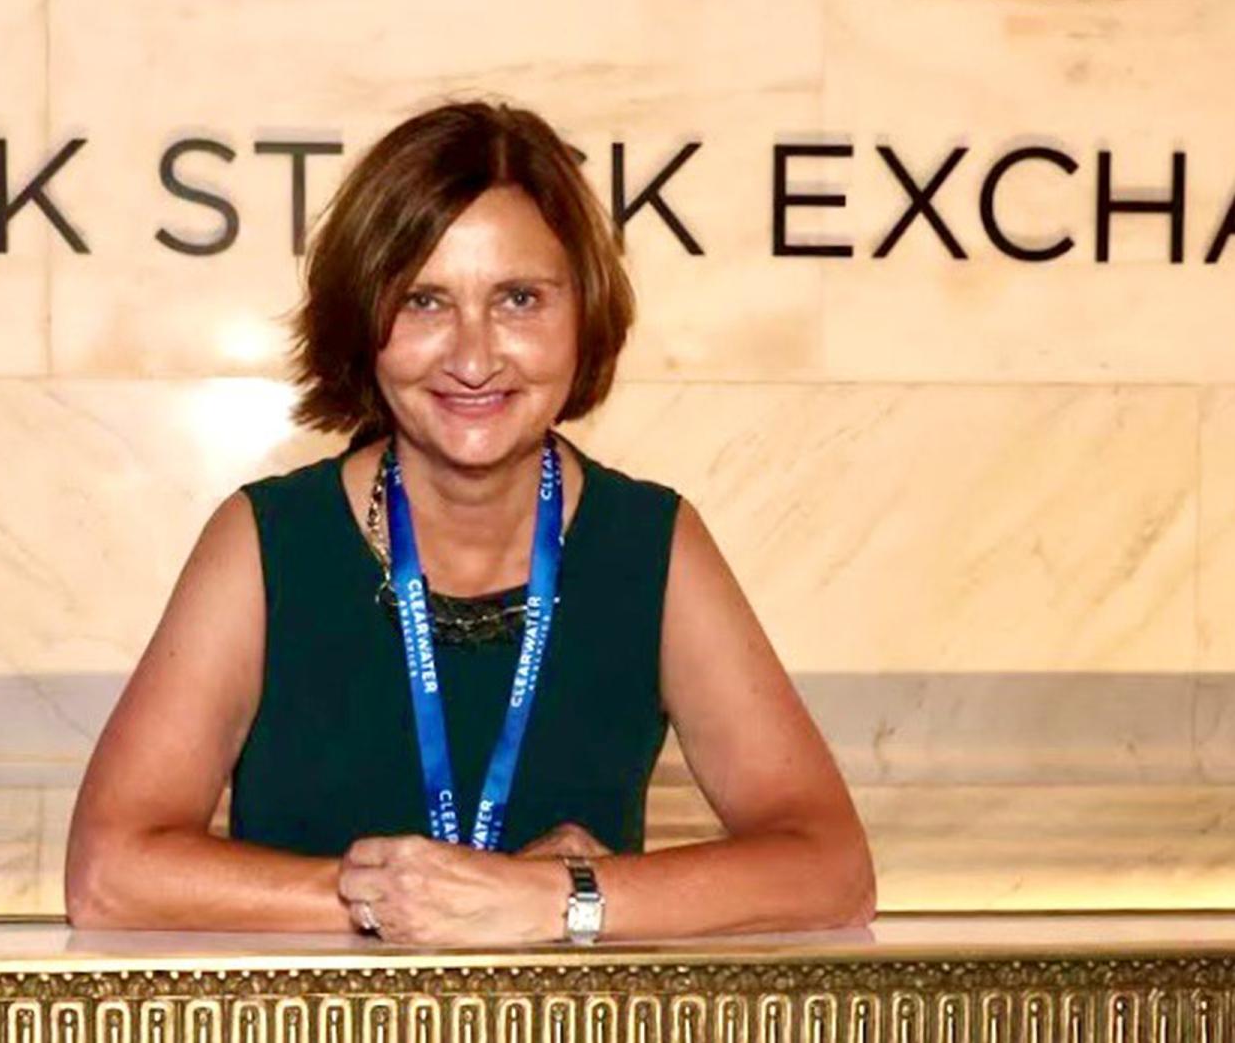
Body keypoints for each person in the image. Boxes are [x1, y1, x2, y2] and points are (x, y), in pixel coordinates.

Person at [64, 100, 875, 945]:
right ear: (362, 324)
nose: (475, 355)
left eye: (519, 298)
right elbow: (108, 872)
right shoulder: (266, 542)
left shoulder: (652, 543)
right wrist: (400, 898)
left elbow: (833, 871)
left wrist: (562, 900)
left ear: (584, 311)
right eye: (424, 301)